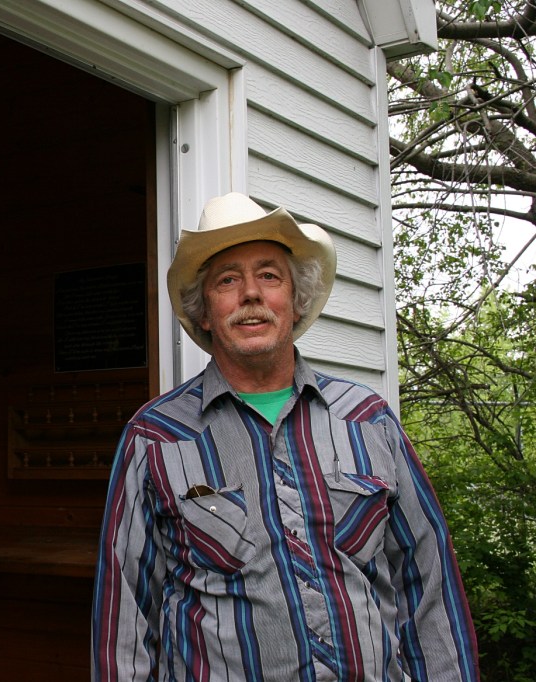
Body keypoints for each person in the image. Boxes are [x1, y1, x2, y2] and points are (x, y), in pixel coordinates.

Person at [91, 193, 479, 681]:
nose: (250, 294)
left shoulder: (368, 420)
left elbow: (429, 586)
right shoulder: (155, 437)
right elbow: (124, 616)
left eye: (269, 276)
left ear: (295, 304)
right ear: (205, 312)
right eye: (227, 280)